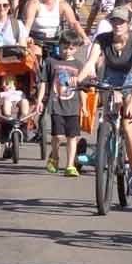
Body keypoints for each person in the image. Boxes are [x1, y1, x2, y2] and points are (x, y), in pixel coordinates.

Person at [81, 7, 132, 192]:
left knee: (129, 125)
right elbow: (91, 62)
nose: (117, 25)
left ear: (129, 24)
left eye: (121, 21)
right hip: (110, 80)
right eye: (114, 21)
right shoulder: (103, 38)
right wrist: (79, 77)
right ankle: (105, 143)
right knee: (108, 117)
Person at [44, 35, 85, 175]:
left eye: (71, 48)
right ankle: (54, 156)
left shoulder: (79, 66)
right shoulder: (51, 62)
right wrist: (39, 101)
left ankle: (70, 165)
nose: (67, 51)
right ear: (59, 46)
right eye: (65, 47)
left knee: (72, 137)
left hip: (73, 106)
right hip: (56, 104)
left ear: (76, 49)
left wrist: (84, 106)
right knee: (58, 136)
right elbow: (44, 82)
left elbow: (82, 89)